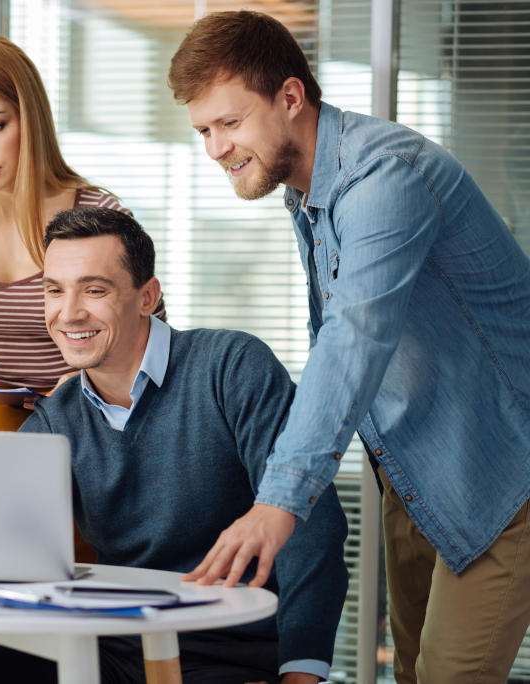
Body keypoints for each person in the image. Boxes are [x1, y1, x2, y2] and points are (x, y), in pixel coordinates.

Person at [167, 11, 530, 683]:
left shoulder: (385, 176)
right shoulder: (309, 192)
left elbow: (353, 340)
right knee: (415, 672)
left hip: (505, 474)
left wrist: (279, 500)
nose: (215, 148)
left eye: (230, 123)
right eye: (204, 131)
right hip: (419, 474)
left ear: (290, 97)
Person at [0, 207, 348, 684]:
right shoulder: (56, 418)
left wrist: (301, 671)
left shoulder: (231, 367)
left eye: (94, 289)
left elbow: (313, 524)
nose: (69, 313)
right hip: (112, 651)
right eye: (54, 290)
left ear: (147, 296)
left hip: (234, 655)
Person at [0, 35, 162, 431]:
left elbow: (150, 339)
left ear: (29, 118)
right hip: (8, 418)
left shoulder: (100, 214)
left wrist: (88, 380)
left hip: (102, 418)